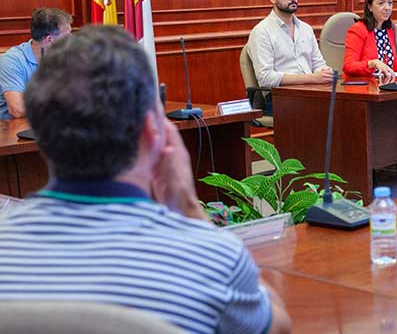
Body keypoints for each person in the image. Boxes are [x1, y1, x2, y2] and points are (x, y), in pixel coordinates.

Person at [0, 26, 291, 334]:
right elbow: (277, 325)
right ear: (156, 133)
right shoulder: (211, 256)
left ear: (40, 134)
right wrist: (192, 210)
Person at [247, 0, 333, 108]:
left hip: (311, 92)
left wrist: (325, 72)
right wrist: (311, 78)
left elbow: (318, 63)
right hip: (280, 98)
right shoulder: (261, 32)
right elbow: (265, 78)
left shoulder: (306, 29)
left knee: (346, 106)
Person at [0, 7, 72, 119]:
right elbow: (17, 110)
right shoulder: (11, 60)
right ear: (49, 39)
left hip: (48, 124)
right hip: (12, 129)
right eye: (67, 35)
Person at [343, 0, 397, 79]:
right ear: (370, 7)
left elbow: (393, 64)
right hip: (363, 86)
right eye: (381, 3)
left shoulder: (390, 28)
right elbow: (348, 66)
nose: (387, 8)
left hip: (386, 84)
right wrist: (373, 63)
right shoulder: (358, 29)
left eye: (390, 3)